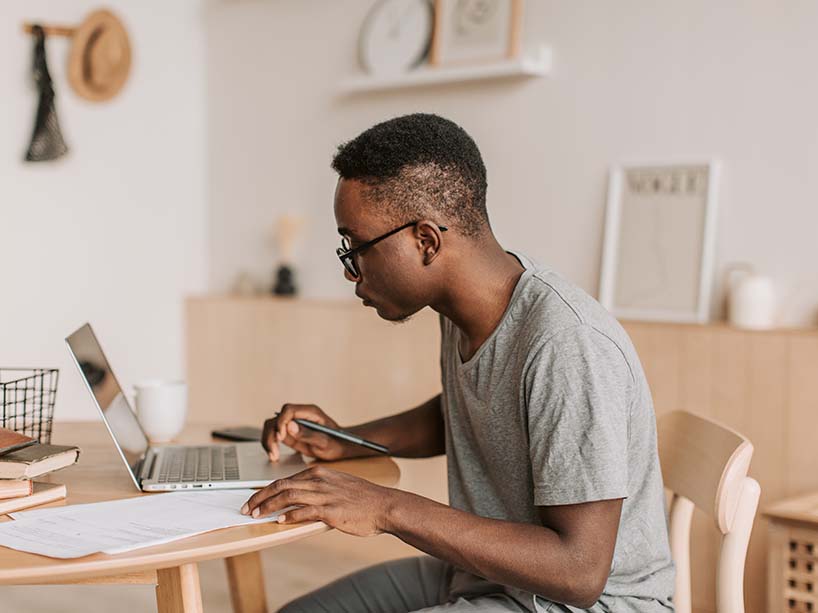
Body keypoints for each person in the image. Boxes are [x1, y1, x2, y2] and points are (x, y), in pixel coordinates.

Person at [240, 113, 675, 612]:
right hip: (488, 577)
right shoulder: (465, 309)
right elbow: (469, 412)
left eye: (356, 247)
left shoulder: (567, 343)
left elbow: (579, 572)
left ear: (425, 241)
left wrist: (385, 507)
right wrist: (348, 440)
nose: (351, 272)